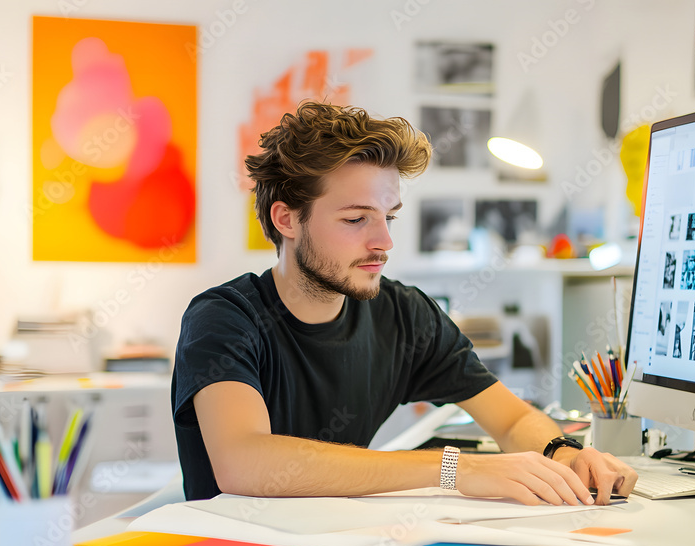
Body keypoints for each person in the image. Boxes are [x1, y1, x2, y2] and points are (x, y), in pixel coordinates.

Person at [172, 101, 637, 504]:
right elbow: (244, 461)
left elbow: (512, 419)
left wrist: (565, 454)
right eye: (356, 219)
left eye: (388, 217)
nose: (384, 241)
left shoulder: (404, 316)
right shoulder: (224, 318)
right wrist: (454, 469)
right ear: (287, 220)